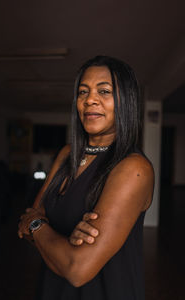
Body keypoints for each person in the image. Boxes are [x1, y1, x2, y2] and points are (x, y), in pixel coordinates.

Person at [18, 55, 154, 299]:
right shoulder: (67, 153)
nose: (90, 100)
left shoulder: (134, 168)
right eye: (83, 92)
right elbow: (24, 227)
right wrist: (59, 237)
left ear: (127, 101)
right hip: (52, 290)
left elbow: (78, 268)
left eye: (104, 91)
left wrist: (39, 224)